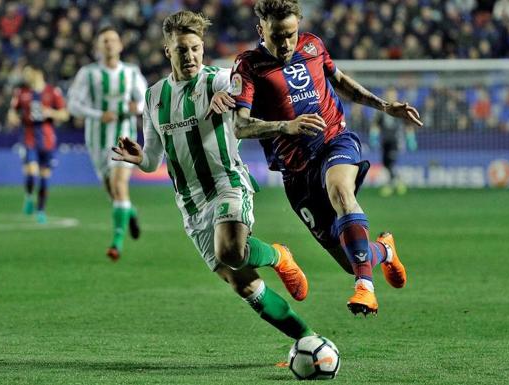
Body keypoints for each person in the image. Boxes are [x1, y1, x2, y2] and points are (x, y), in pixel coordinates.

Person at [112, 10, 314, 341]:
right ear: (168, 51)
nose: (189, 56)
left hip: (227, 184)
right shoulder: (153, 97)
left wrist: (233, 96)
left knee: (231, 251)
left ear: (202, 48)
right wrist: (140, 159)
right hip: (191, 204)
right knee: (245, 283)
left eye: (195, 48)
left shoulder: (220, 79)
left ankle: (279, 255)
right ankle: (307, 340)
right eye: (181, 50)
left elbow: (252, 93)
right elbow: (152, 160)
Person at [231, 0, 423, 316]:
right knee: (352, 260)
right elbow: (240, 125)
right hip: (296, 172)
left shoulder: (313, 45)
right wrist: (285, 126)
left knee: (341, 191)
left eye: (291, 34)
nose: (286, 43)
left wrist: (384, 106)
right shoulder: (249, 65)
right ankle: (385, 250)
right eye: (277, 36)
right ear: (260, 29)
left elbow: (341, 81)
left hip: (334, 141)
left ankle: (366, 290)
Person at [67, 25, 148, 261]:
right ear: (97, 47)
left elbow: (145, 99)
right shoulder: (88, 73)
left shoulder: (131, 72)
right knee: (112, 192)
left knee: (119, 185)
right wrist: (97, 114)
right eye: (104, 41)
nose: (109, 44)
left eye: (113, 40)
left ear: (121, 45)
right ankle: (130, 211)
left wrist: (138, 107)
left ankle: (117, 243)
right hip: (96, 140)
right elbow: (73, 104)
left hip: (123, 137)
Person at [7, 63, 68, 223]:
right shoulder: (21, 92)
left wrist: (51, 112)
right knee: (32, 172)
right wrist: (12, 117)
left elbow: (64, 114)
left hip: (48, 139)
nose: (25, 76)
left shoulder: (52, 92)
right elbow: (12, 110)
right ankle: (28, 196)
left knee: (45, 177)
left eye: (28, 72)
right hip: (29, 137)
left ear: (38, 72)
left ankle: (41, 210)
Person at [370, 87, 417, 197]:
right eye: (389, 94)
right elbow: (375, 125)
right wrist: (373, 136)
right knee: (385, 163)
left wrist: (411, 139)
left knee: (391, 162)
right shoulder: (382, 109)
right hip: (384, 141)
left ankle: (391, 185)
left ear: (396, 95)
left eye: (393, 94)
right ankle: (397, 181)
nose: (391, 96)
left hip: (396, 140)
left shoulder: (400, 109)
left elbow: (408, 125)